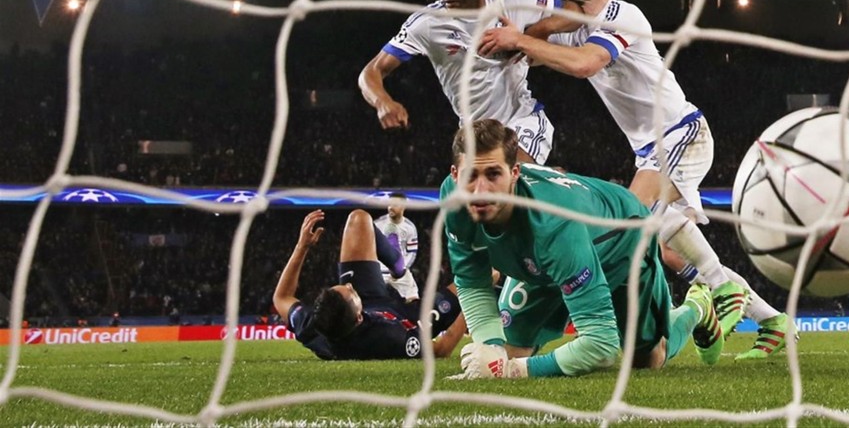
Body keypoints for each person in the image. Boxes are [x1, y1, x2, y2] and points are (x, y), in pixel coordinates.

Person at [478, 0, 786, 360]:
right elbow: (536, 48)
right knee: (660, 238)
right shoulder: (574, 26)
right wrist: (516, 36)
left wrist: (524, 39)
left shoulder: (624, 15)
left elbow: (585, 64)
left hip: (680, 133)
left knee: (628, 222)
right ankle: (767, 317)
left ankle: (715, 291)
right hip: (649, 150)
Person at [442, 119, 722, 378]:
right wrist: (491, 350)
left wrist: (514, 370)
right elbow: (472, 281)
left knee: (647, 360)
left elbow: (602, 346)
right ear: (455, 175)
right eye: (470, 176)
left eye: (493, 175)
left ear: (515, 172)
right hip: (546, 258)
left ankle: (697, 306)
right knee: (506, 351)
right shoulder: (454, 200)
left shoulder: (555, 225)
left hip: (623, 241)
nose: (480, 191)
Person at [358, 0, 566, 164]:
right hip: (475, 134)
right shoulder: (427, 23)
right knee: (484, 193)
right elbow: (372, 71)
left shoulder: (513, 2)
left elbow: (572, 12)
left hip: (522, 119)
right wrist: (383, 102)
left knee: (509, 176)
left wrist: (531, 35)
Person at [272, 209, 467, 360]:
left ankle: (399, 268)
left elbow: (281, 298)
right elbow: (441, 350)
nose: (349, 285)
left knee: (358, 219)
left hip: (370, 298)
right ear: (359, 317)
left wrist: (302, 246)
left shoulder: (314, 325)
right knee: (470, 281)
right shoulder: (387, 338)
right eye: (350, 292)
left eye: (342, 286)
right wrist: (476, 295)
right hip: (404, 319)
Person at [374, 201, 420, 302]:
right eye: (389, 204)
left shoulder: (409, 227)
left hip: (400, 272)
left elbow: (412, 252)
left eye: (395, 205)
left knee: (414, 300)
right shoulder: (377, 224)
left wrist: (402, 268)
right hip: (380, 273)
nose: (391, 207)